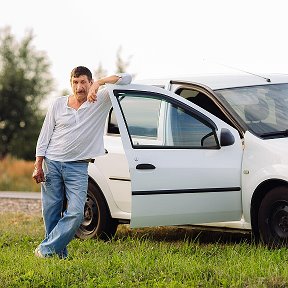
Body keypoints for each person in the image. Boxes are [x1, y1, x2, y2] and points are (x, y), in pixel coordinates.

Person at [32, 66, 132, 258]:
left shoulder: (101, 99)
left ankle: (44, 250)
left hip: (77, 166)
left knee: (76, 213)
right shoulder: (57, 104)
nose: (79, 87)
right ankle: (57, 256)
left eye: (84, 82)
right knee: (51, 213)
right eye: (75, 82)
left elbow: (127, 78)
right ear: (71, 83)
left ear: (89, 82)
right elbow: (44, 136)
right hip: (52, 163)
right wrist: (38, 164)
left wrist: (99, 83)